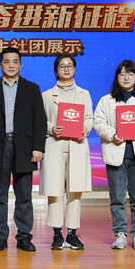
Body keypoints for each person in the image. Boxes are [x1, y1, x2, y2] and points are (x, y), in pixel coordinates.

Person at [0, 47, 47, 252]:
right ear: (0, 65)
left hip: (24, 148)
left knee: (24, 195)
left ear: (21, 65)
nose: (11, 65)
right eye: (7, 61)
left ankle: (24, 237)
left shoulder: (32, 89)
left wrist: (38, 148)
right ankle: (0, 237)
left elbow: (39, 121)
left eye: (15, 61)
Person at [93, 60, 135, 250]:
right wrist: (112, 135)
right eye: (122, 74)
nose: (126, 77)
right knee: (117, 198)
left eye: (130, 74)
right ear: (117, 77)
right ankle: (120, 234)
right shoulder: (106, 100)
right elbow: (98, 123)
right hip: (115, 154)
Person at [38, 54, 93, 251]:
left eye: (70, 65)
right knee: (54, 191)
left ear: (75, 69)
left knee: (74, 192)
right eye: (62, 66)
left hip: (76, 145)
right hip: (55, 146)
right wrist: (51, 128)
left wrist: (85, 128)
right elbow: (40, 120)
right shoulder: (46, 95)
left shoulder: (84, 94)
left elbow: (89, 118)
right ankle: (56, 234)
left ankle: (71, 233)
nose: (66, 69)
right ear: (56, 70)